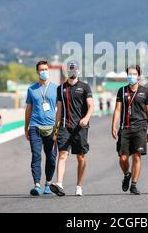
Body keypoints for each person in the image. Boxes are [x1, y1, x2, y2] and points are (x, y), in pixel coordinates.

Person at [50, 61, 94, 197]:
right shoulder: (61, 88)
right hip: (64, 126)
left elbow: (91, 106)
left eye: (75, 70)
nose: (72, 72)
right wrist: (56, 129)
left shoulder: (85, 87)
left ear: (78, 71)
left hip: (80, 128)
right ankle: (59, 184)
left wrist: (86, 118)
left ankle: (79, 186)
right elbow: (59, 111)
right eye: (70, 70)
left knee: (81, 158)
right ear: (67, 72)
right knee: (62, 154)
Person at [111, 65, 148, 195]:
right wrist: (113, 125)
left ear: (139, 76)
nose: (132, 76)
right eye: (129, 73)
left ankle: (134, 184)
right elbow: (118, 109)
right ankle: (127, 174)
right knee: (123, 158)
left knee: (137, 156)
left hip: (140, 128)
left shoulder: (145, 92)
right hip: (125, 127)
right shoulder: (121, 90)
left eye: (134, 74)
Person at [25, 60, 58, 196]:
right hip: (35, 127)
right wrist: (26, 127)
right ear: (37, 72)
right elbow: (28, 109)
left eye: (46, 69)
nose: (44, 72)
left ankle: (48, 184)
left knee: (51, 157)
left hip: (51, 127)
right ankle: (37, 184)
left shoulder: (56, 88)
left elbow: (60, 109)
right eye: (41, 70)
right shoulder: (31, 89)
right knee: (36, 155)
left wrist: (58, 128)